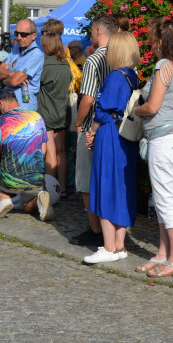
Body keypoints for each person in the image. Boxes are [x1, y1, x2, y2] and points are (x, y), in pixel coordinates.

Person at [131, 20, 173, 276]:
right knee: (161, 199)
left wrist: (135, 110)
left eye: (150, 39)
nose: (148, 43)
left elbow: (153, 106)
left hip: (164, 139)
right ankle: (162, 253)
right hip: (169, 138)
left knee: (166, 201)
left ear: (158, 41)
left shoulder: (163, 65)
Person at [82, 31, 141, 264]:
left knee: (105, 186)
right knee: (121, 187)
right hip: (124, 135)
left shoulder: (115, 76)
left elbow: (104, 110)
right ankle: (119, 244)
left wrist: (92, 131)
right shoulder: (131, 75)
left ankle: (108, 246)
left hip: (109, 134)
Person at [70, 15, 119, 246]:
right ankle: (113, 229)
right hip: (115, 126)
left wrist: (79, 123)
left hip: (93, 125)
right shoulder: (121, 57)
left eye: (92, 30)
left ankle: (95, 228)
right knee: (109, 179)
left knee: (87, 180)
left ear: (99, 30)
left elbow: (88, 98)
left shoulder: (94, 60)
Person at [0, 86, 54, 222]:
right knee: (26, 207)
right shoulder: (37, 117)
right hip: (37, 180)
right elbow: (43, 151)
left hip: (11, 179)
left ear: (1, 103)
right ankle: (40, 196)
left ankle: (4, 199)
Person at [38, 26, 72, 199]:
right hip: (63, 111)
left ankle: (49, 189)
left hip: (47, 111)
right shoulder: (66, 63)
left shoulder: (45, 64)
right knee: (61, 152)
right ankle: (63, 188)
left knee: (51, 152)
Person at [0, 19, 43, 108]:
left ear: (34, 36)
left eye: (24, 34)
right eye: (17, 33)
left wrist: (3, 80)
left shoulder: (36, 55)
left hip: (24, 107)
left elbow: (14, 81)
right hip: (8, 105)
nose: (19, 37)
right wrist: (11, 73)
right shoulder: (16, 49)